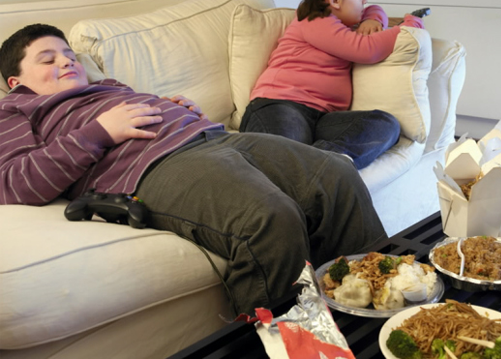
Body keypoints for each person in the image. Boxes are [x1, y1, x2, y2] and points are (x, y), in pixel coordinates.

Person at [0, 23, 387, 315]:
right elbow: (15, 182)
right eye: (48, 59)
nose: (66, 61)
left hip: (216, 137)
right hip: (155, 166)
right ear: (17, 82)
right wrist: (100, 131)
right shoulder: (16, 109)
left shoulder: (108, 87)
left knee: (337, 176)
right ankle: (285, 346)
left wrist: (170, 107)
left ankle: (379, 316)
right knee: (270, 218)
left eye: (68, 55)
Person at [240, 0, 425, 169]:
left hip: (322, 118)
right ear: (335, 0)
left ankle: (326, 163)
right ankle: (316, 172)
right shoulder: (313, 20)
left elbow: (373, 9)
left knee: (386, 125)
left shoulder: (340, 23)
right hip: (280, 105)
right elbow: (366, 49)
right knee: (286, 159)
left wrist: (372, 19)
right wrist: (408, 30)